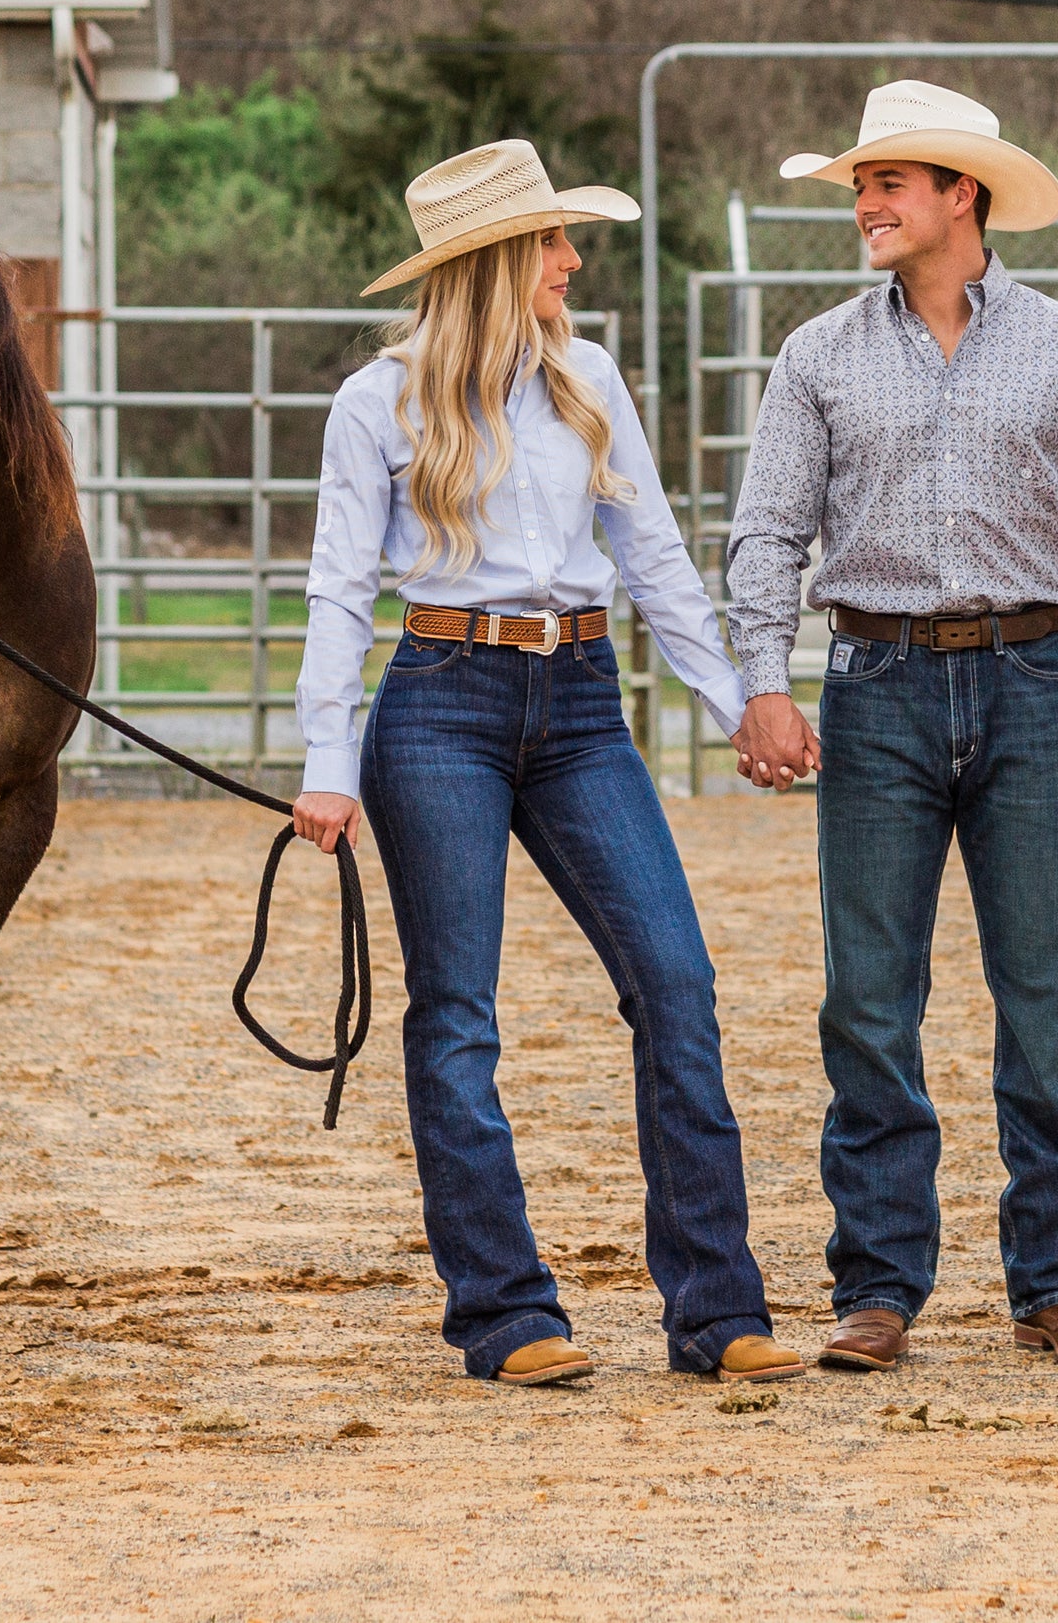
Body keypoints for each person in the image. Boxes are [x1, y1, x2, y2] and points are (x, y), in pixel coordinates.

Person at [292, 138, 806, 1392]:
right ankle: (505, 1311)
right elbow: (338, 587)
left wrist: (739, 702)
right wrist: (327, 757)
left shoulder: (591, 378)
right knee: (458, 1015)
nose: (573, 261)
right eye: (552, 244)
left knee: (677, 983)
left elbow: (656, 557)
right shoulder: (379, 401)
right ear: (493, 264)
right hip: (436, 707)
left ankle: (718, 1309)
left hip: (580, 703)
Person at [723, 81, 1058, 1372]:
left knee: (1045, 1002)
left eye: (888, 182)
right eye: (863, 184)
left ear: (961, 195)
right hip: (874, 683)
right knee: (870, 1003)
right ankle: (878, 1284)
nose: (866, 204)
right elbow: (769, 529)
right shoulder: (817, 354)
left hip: (1035, 680)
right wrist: (763, 676)